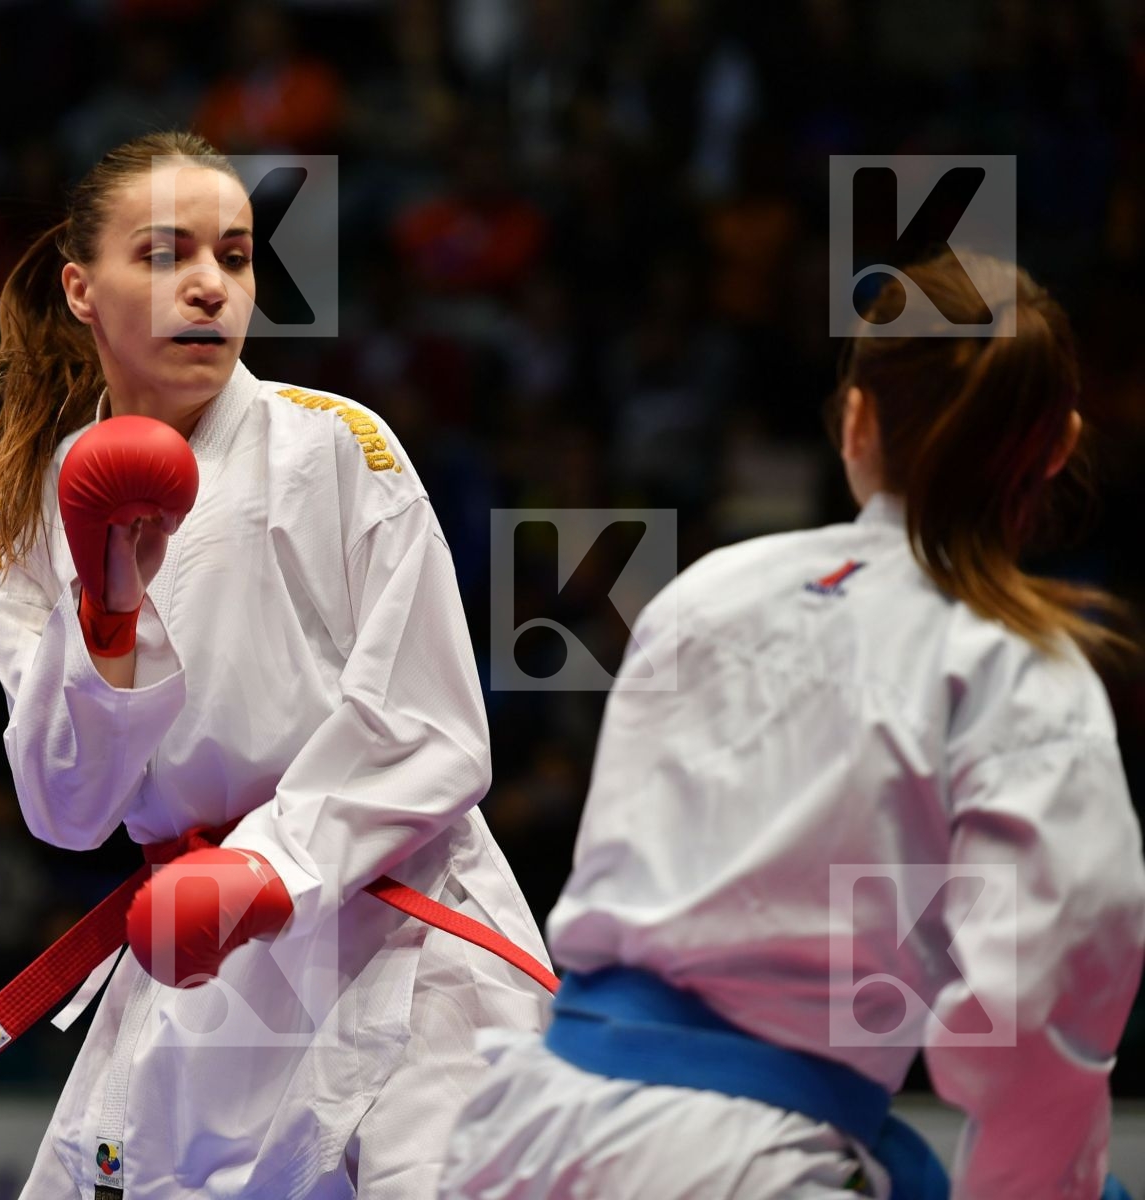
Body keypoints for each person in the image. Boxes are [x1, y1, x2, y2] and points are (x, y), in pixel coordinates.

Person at [439, 254, 1145, 1199]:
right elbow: (1035, 1006)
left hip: (532, 1130)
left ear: (856, 421)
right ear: (1058, 446)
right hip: (750, 1164)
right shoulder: (1019, 667)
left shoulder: (709, 589)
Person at [0, 130, 550, 1197]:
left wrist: (270, 861)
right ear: (82, 289)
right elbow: (66, 809)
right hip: (200, 967)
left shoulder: (332, 447)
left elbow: (432, 728)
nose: (210, 287)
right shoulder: (19, 532)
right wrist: (110, 615)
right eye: (167, 255)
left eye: (233, 255)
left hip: (402, 938)